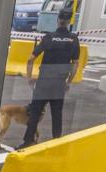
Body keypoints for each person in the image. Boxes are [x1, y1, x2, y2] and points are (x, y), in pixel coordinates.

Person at [21, 8, 80, 147]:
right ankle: (56, 142)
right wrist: (68, 82)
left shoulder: (48, 37)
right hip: (59, 83)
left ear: (57, 19)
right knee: (57, 114)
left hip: (43, 82)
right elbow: (75, 64)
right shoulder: (73, 39)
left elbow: (30, 59)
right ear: (69, 21)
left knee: (35, 113)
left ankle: (27, 141)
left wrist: (30, 78)